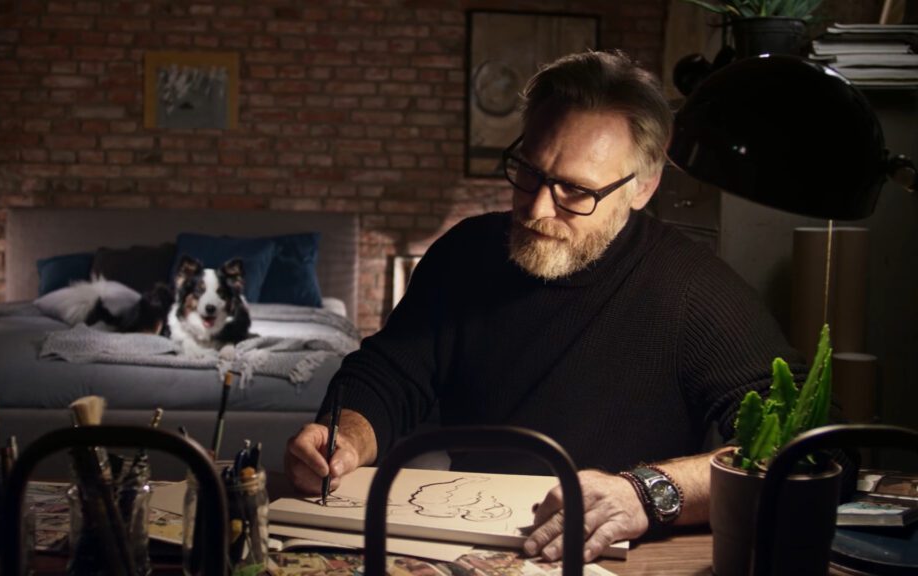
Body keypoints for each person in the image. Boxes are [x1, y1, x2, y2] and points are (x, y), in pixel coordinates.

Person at [284, 50, 804, 563]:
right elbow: (390, 374)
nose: (536, 208)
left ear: (643, 188)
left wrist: (648, 492)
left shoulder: (694, 287)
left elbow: (801, 444)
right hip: (465, 542)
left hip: (624, 559)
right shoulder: (465, 252)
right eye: (529, 172)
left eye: (575, 191)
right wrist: (344, 437)